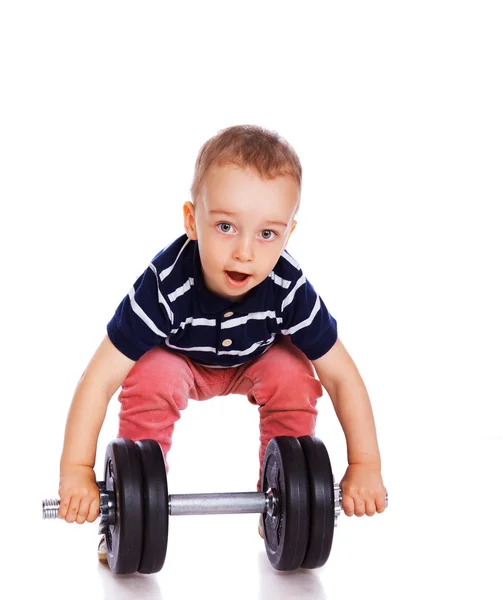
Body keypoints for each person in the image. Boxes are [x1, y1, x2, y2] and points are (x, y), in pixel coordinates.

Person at [57, 124, 387, 564]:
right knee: (152, 375)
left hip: (257, 359)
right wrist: (76, 473)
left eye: (267, 234)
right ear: (193, 221)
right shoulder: (165, 287)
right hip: (181, 358)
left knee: (293, 373)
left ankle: (284, 496)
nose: (245, 252)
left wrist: (365, 464)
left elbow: (342, 377)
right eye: (226, 226)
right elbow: (97, 380)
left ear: (288, 235)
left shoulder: (288, 286)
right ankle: (133, 505)